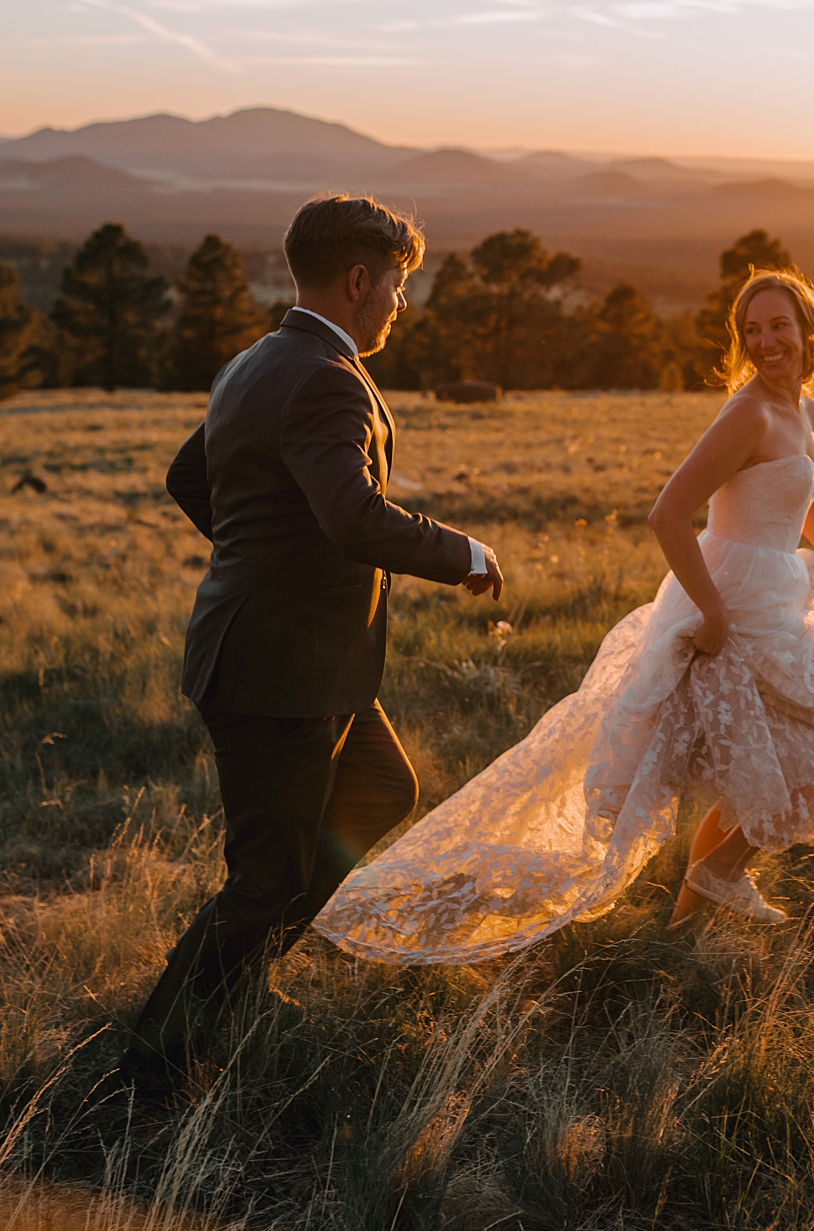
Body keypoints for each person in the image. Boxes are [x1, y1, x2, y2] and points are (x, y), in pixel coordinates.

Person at [313, 269, 814, 965]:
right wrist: (710, 612)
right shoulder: (747, 412)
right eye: (752, 330)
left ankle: (691, 928)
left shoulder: (805, 411)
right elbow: (669, 513)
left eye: (779, 326)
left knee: (777, 759)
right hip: (728, 601)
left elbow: (801, 478)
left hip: (779, 594)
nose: (766, 342)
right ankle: (710, 872)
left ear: (807, 331)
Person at [113, 194, 504, 1096]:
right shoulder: (326, 376)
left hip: (306, 659)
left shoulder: (254, 361)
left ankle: (237, 984)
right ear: (359, 281)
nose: (402, 305)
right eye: (398, 285)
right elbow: (355, 519)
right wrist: (465, 552)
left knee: (378, 788)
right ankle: (154, 1062)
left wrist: (260, 552)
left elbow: (190, 474)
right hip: (276, 669)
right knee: (264, 879)